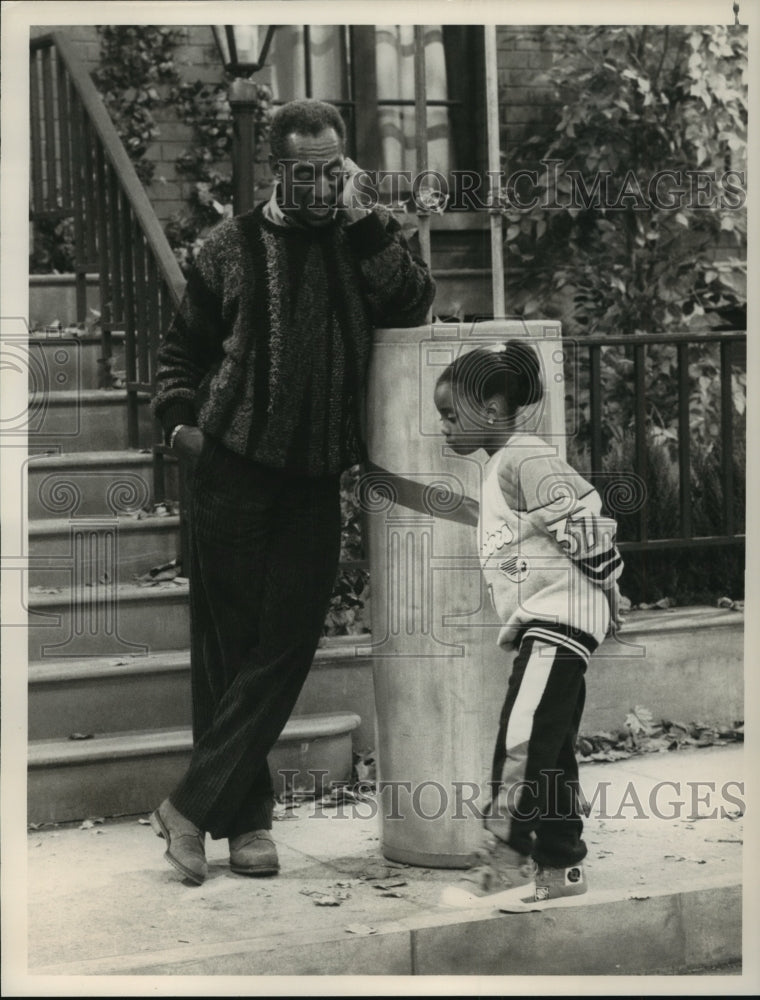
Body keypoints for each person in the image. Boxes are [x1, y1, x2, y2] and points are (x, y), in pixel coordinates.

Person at [149, 98, 435, 884]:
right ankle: (245, 825)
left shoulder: (360, 238)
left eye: (333, 168)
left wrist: (368, 218)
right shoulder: (228, 246)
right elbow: (179, 358)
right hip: (231, 470)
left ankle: (185, 809)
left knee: (287, 645)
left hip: (315, 478)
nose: (320, 185)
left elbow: (414, 303)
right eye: (305, 171)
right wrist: (186, 432)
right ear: (278, 167)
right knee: (230, 652)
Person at [433, 340, 623, 907]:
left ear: (490, 407)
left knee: (522, 736)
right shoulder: (503, 468)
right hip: (552, 618)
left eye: (450, 414)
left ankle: (505, 855)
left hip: (560, 621)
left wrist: (610, 584)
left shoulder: (524, 456)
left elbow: (581, 518)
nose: (443, 427)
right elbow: (526, 548)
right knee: (552, 747)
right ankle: (562, 867)